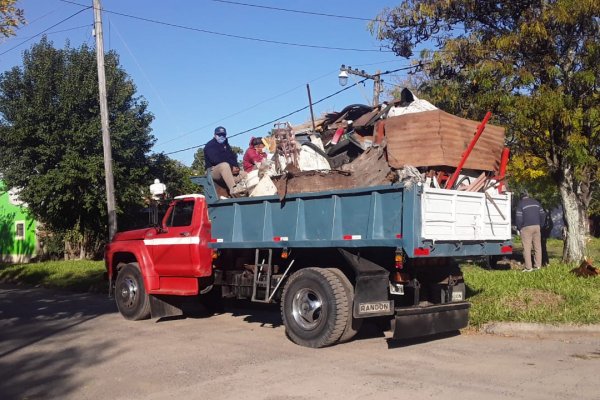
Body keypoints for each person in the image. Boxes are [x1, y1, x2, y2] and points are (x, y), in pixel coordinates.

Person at [204, 126, 245, 196]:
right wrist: (231, 167)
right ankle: (234, 191)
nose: (221, 137)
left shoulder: (226, 145)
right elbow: (215, 160)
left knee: (245, 174)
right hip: (212, 171)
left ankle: (247, 193)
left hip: (227, 171)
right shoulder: (210, 145)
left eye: (223, 135)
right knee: (224, 165)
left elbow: (233, 157)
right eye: (219, 135)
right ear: (215, 135)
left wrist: (236, 167)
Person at [515, 191, 546, 271]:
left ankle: (529, 267)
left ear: (521, 197)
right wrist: (541, 225)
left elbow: (519, 218)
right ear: (528, 195)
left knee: (527, 248)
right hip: (537, 226)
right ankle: (538, 266)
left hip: (526, 228)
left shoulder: (520, 204)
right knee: (538, 247)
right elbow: (543, 214)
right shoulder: (536, 203)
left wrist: (519, 228)